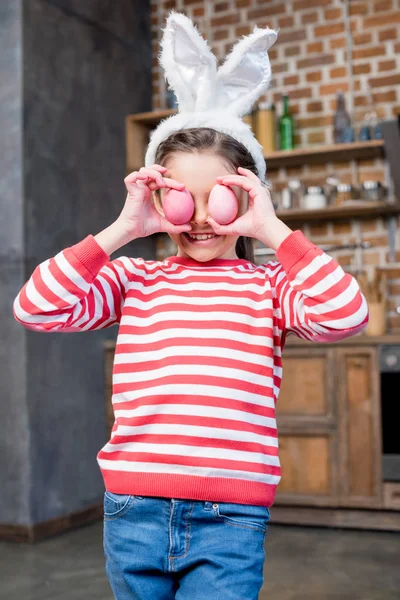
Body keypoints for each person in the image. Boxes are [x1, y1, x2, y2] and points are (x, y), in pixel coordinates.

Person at [12, 13, 369, 600]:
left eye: (221, 198)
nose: (201, 218)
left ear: (249, 197)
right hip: (134, 510)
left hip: (231, 517)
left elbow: (345, 316)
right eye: (183, 199)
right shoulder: (133, 279)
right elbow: (36, 307)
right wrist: (121, 230)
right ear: (158, 198)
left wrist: (275, 229)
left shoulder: (270, 287)